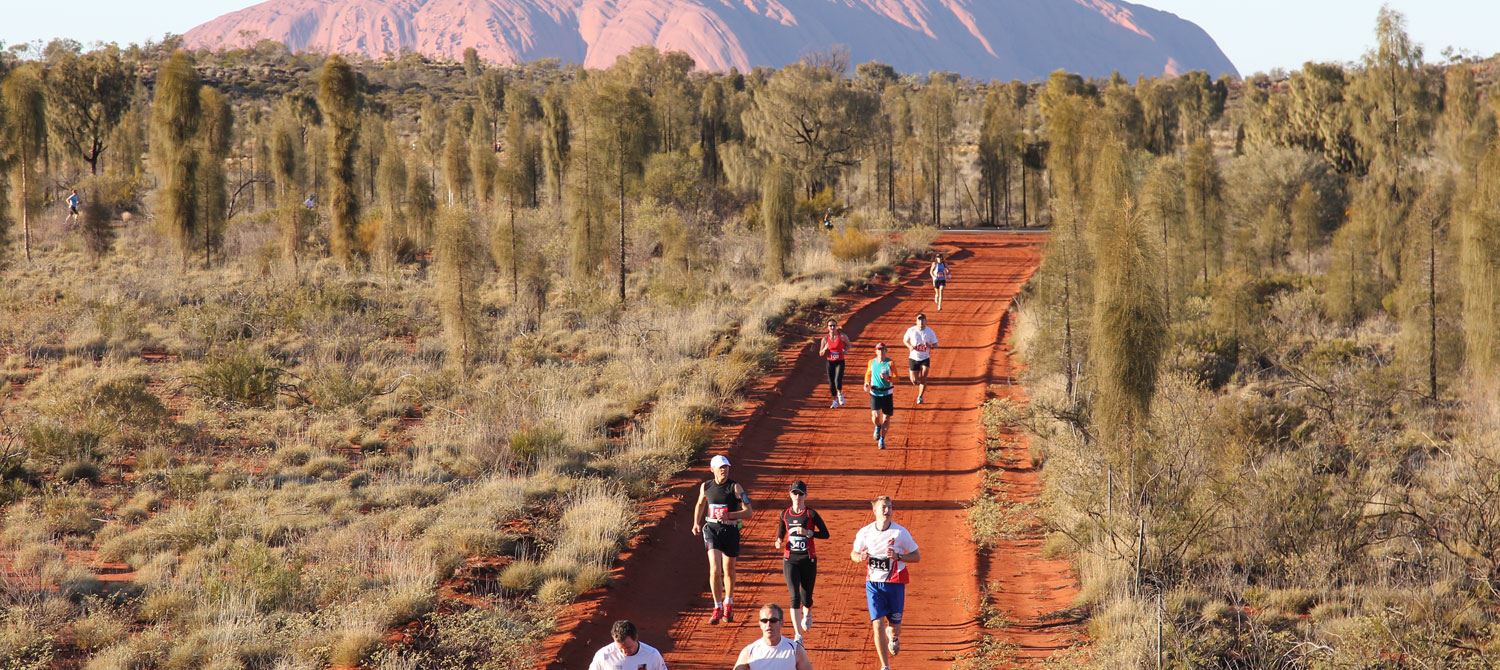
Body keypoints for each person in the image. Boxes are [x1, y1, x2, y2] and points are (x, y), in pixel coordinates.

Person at [851, 496, 920, 670]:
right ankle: (885, 666)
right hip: (873, 584)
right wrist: (860, 557)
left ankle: (894, 637)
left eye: (889, 507)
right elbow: (854, 554)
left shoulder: (900, 533)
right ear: (874, 511)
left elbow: (916, 556)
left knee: (895, 626)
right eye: (883, 507)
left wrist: (899, 556)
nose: (887, 511)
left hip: (895, 584)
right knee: (877, 623)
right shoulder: (864, 532)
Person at [691, 454, 753, 624]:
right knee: (715, 569)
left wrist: (729, 515)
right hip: (711, 529)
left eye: (726, 467)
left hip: (731, 530)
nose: (724, 470)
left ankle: (728, 602)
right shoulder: (706, 486)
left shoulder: (735, 487)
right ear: (712, 470)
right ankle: (717, 606)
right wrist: (696, 523)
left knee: (729, 569)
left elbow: (748, 512)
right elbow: (700, 504)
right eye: (721, 468)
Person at [774, 480, 829, 645]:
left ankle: (808, 613)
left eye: (800, 493)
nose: (797, 496)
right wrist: (778, 541)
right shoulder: (785, 514)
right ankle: (798, 635)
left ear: (806, 495)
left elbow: (825, 534)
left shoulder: (811, 514)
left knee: (806, 597)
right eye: (794, 493)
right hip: (790, 560)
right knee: (794, 597)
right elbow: (781, 531)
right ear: (790, 494)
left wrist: (808, 532)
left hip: (808, 559)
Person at [733, 604, 814, 670]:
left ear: (781, 623)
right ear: (760, 624)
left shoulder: (795, 650)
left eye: (773, 620)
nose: (768, 624)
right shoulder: (749, 651)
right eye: (764, 621)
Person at [588, 619, 668, 670]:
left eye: (629, 647)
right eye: (620, 648)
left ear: (636, 637)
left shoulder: (652, 655)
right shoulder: (603, 655)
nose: (625, 652)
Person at [864, 343, 896, 449]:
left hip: (887, 393)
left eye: (883, 349)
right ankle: (877, 426)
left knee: (886, 419)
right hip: (875, 393)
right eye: (879, 349)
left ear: (886, 351)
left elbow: (897, 378)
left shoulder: (890, 363)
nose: (881, 351)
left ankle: (882, 439)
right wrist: (866, 383)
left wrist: (888, 378)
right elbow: (868, 374)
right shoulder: (871, 362)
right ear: (876, 351)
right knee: (876, 417)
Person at [902, 313, 938, 405]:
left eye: (923, 320)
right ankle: (916, 380)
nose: (921, 322)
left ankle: (920, 396)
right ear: (916, 321)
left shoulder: (930, 331)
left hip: (925, 357)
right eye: (919, 320)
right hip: (913, 357)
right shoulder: (911, 330)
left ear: (926, 321)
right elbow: (905, 340)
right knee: (914, 381)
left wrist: (930, 345)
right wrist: (909, 346)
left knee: (923, 378)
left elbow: (936, 345)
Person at [817, 319, 852, 408]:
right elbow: (820, 353)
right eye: (830, 326)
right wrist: (825, 349)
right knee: (831, 383)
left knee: (837, 379)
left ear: (836, 326)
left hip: (840, 361)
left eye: (834, 325)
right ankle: (834, 401)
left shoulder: (842, 336)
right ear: (827, 327)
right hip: (830, 362)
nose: (832, 327)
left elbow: (849, 345)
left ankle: (840, 394)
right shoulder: (825, 339)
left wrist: (845, 351)